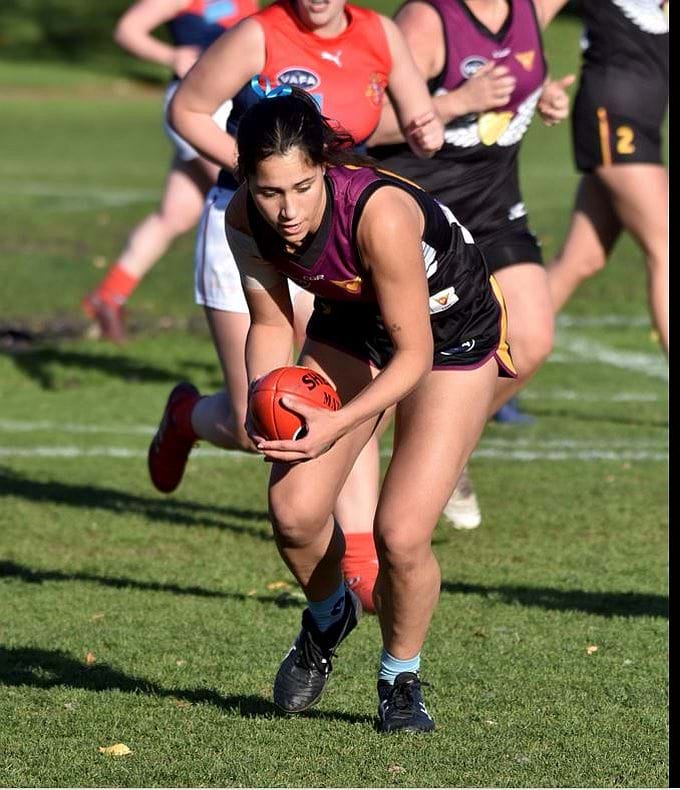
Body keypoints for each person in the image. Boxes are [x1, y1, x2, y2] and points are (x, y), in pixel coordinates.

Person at [227, 89, 513, 731]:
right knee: (294, 513)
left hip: (449, 335)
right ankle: (329, 616)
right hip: (353, 323)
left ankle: (400, 679)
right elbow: (270, 323)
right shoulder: (244, 219)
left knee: (401, 534)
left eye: (302, 187)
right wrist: (261, 390)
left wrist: (340, 421)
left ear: (324, 167)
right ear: (247, 181)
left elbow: (412, 356)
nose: (288, 210)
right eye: (270, 192)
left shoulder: (378, 215)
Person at [152, 0, 443, 614]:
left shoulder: (380, 33)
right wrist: (261, 176)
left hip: (331, 230)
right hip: (255, 232)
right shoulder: (259, 33)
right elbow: (187, 108)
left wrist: (437, 120)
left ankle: (358, 553)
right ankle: (186, 417)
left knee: (336, 395)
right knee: (254, 416)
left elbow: (408, 122)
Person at [368, 0, 574, 529]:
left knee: (531, 340)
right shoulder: (428, 21)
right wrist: (459, 101)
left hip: (494, 208)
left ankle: (444, 451)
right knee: (386, 377)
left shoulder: (535, 6)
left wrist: (541, 96)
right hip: (423, 209)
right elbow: (372, 122)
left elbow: (523, 70)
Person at [82, 0, 260, 343]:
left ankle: (108, 295)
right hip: (199, 107)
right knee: (248, 197)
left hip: (231, 104)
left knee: (174, 215)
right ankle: (276, 316)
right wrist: (172, 56)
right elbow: (128, 29)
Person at [543, 0, 669, 358]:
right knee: (667, 247)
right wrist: (541, 81)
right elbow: (530, 17)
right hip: (614, 118)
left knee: (581, 260)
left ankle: (497, 355)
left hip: (640, 125)